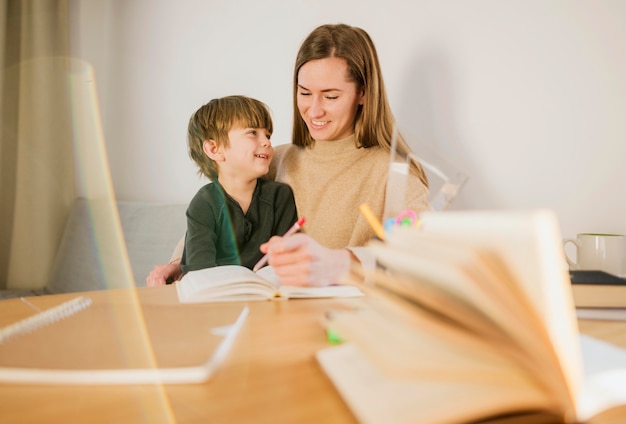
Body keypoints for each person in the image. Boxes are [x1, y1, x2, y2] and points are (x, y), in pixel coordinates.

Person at [146, 23, 429, 287]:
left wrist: (345, 263)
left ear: (363, 93)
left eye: (330, 97)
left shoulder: (395, 173)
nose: (314, 110)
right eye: (305, 93)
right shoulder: (275, 160)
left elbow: (423, 258)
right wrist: (179, 264)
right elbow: (217, 214)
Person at [178, 95, 298, 277]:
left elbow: (286, 262)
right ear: (214, 149)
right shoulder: (204, 204)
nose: (267, 142)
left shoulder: (280, 196)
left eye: (267, 135)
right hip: (218, 297)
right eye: (252, 133)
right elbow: (199, 272)